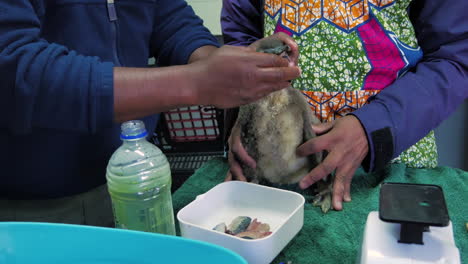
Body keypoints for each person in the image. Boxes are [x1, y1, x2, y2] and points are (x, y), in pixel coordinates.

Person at [0, 0, 300, 225]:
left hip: (138, 178)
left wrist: (224, 63)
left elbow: (169, 20)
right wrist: (197, 82)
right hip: (32, 206)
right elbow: (14, 71)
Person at [222, 0, 468, 210]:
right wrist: (247, 110)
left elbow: (453, 56)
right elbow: (242, 38)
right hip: (273, 157)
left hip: (393, 159)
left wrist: (374, 127)